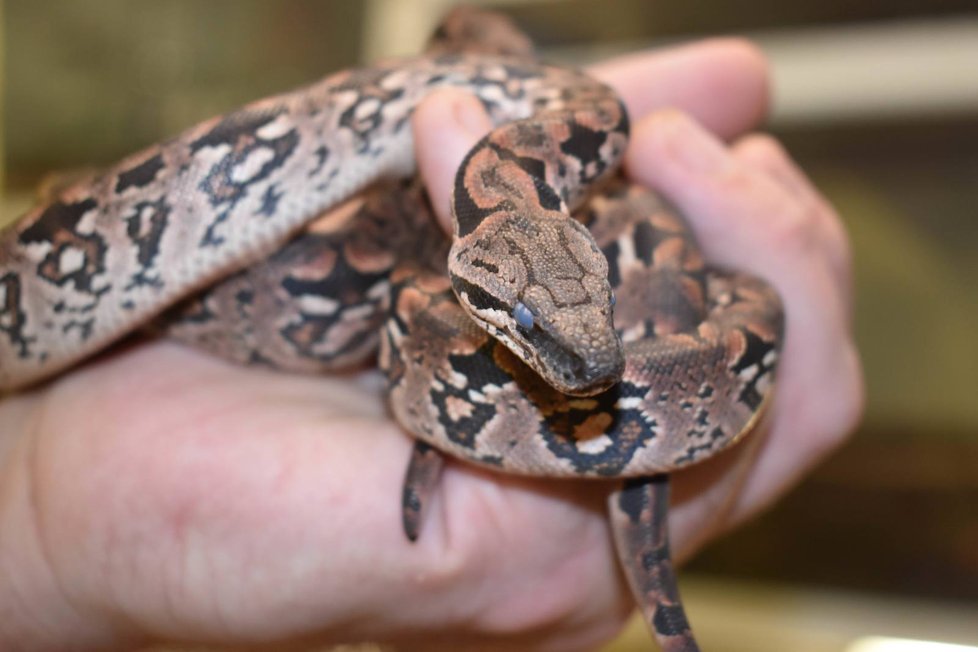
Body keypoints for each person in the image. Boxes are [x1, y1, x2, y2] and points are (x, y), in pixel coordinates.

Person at [0, 38, 862, 651]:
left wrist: (54, 533)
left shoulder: (572, 151)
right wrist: (38, 531)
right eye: (528, 325)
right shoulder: (534, 168)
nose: (594, 367)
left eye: (592, 304)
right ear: (464, 265)